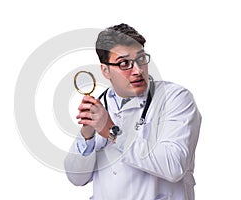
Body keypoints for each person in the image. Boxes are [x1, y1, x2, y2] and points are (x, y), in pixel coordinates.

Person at [64, 23, 202, 200]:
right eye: (124, 63)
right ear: (105, 70)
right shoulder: (101, 106)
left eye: (141, 59)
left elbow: (174, 166)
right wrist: (87, 135)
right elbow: (76, 178)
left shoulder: (175, 99)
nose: (137, 70)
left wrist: (111, 131)